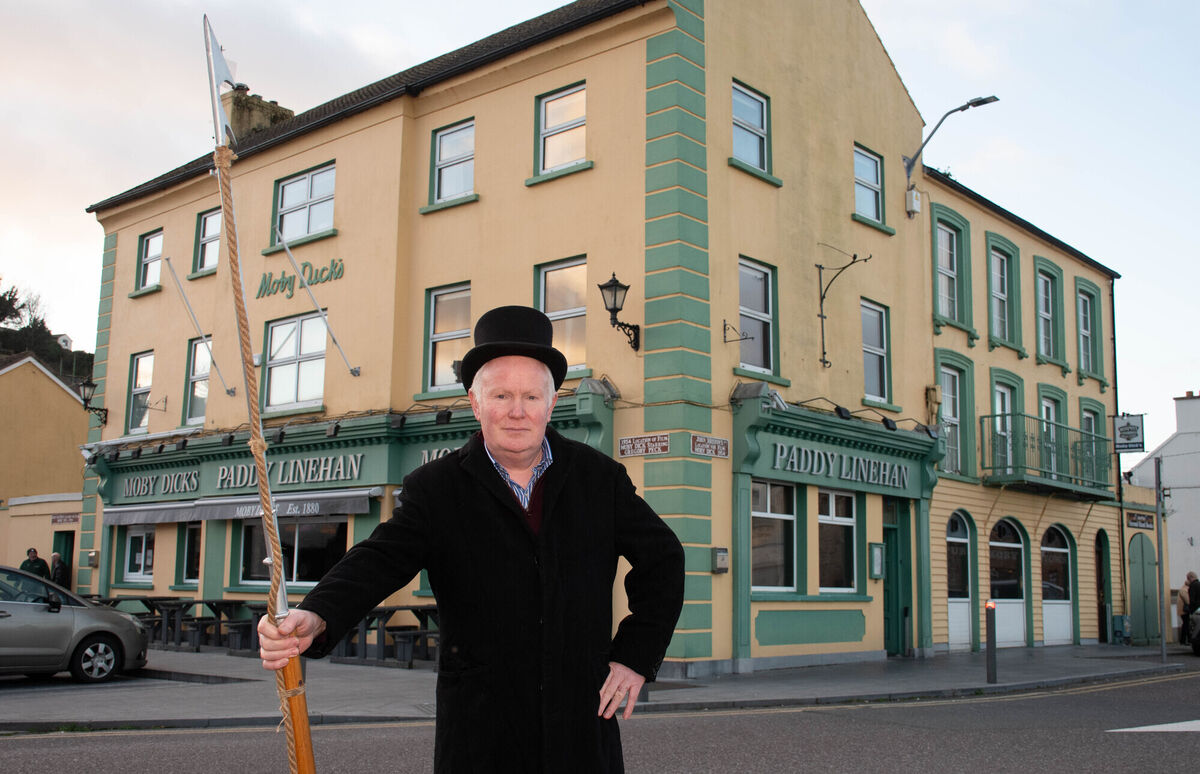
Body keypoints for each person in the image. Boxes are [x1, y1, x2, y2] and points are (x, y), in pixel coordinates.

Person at [259, 305, 685, 773]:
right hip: (482, 737)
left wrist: (634, 657)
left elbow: (663, 558)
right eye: (501, 395)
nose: (517, 412)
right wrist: (316, 615)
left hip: (580, 732)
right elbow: (379, 559)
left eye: (530, 396)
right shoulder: (436, 488)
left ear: (553, 403)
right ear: (475, 402)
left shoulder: (599, 479)